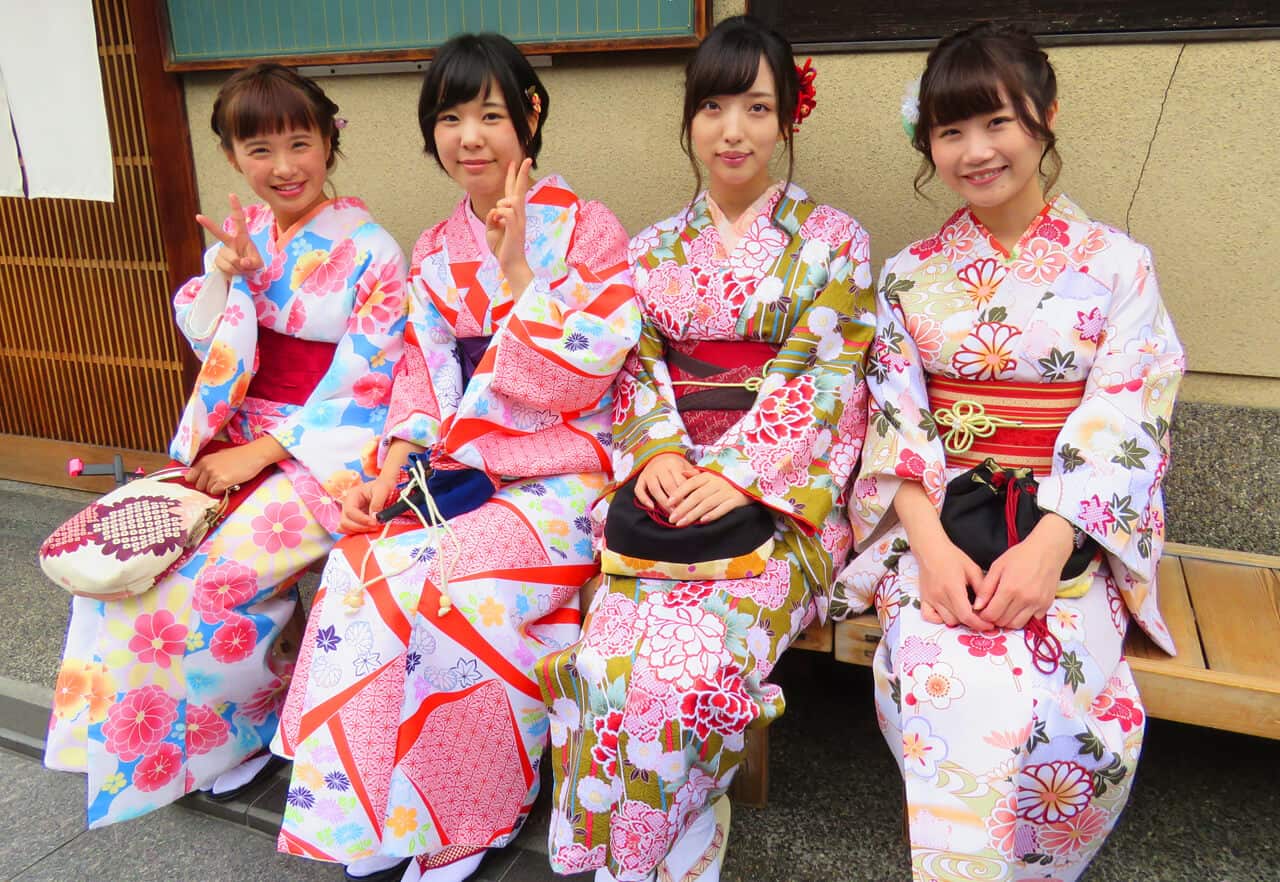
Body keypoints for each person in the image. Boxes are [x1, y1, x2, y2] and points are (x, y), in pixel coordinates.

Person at [272, 33, 641, 882]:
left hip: (561, 475)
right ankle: (364, 813)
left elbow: (585, 373)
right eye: (449, 117)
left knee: (457, 587)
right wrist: (391, 469)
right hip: (462, 470)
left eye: (488, 113)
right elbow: (423, 375)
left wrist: (517, 277)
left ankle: (472, 817)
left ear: (530, 115)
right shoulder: (436, 246)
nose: (469, 136)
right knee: (358, 569)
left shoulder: (591, 230)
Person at [834, 22, 1185, 881]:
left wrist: (1049, 548)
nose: (975, 150)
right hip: (944, 525)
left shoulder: (1116, 267)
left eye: (996, 122)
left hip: (1068, 534)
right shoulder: (908, 275)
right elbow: (893, 423)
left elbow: (1127, 413)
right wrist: (928, 547)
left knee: (1077, 721)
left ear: (1045, 116)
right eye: (950, 131)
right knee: (946, 673)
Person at [537, 16, 876, 882]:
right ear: (688, 118)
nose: (734, 130)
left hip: (777, 510)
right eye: (715, 106)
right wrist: (656, 456)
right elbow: (636, 375)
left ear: (786, 119)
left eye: (757, 108)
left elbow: (826, 382)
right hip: (666, 500)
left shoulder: (835, 243)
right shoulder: (651, 251)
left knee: (684, 672)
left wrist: (736, 474)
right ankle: (628, 854)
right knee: (604, 664)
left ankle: (669, 831)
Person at [44, 62, 407, 827]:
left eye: (299, 144)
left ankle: (242, 731)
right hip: (236, 436)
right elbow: (210, 336)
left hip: (322, 453)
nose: (284, 167)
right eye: (260, 150)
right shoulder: (248, 240)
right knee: (132, 565)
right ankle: (118, 741)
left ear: (329, 145)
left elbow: (366, 386)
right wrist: (226, 273)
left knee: (207, 580)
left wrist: (262, 453)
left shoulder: (374, 251)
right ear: (234, 157)